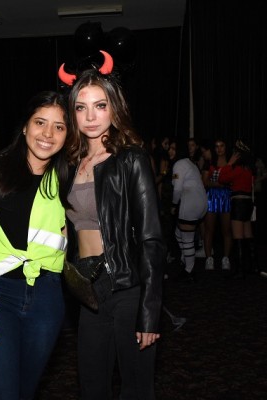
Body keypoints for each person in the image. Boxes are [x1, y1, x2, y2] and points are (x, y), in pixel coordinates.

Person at [62, 64, 164, 399]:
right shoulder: (69, 163)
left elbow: (151, 239)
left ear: (114, 108)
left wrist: (149, 313)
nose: (90, 116)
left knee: (135, 387)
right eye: (81, 107)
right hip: (88, 290)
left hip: (125, 285)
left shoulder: (130, 159)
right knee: (92, 385)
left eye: (100, 105)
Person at [0, 91, 75, 400]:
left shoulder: (66, 178)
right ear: (25, 127)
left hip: (47, 297)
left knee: (25, 391)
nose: (48, 134)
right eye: (40, 122)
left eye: (59, 127)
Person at [218, 140, 257, 277]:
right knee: (248, 235)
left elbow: (222, 178)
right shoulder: (249, 169)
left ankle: (240, 269)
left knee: (238, 237)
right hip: (248, 203)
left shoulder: (237, 168)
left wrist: (229, 164)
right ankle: (253, 266)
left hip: (239, 202)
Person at [170, 138, 208, 280]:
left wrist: (174, 205)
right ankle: (186, 259)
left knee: (187, 238)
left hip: (191, 203)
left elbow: (177, 189)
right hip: (200, 202)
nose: (170, 151)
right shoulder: (189, 163)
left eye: (173, 148)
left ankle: (189, 270)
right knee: (178, 233)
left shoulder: (179, 164)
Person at [201, 138, 232, 271]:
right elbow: (205, 182)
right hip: (212, 197)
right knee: (209, 229)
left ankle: (226, 258)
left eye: (222, 145)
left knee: (227, 230)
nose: (219, 149)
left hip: (226, 197)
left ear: (226, 147)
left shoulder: (232, 163)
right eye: (216, 146)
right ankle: (209, 259)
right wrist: (220, 184)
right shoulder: (209, 162)